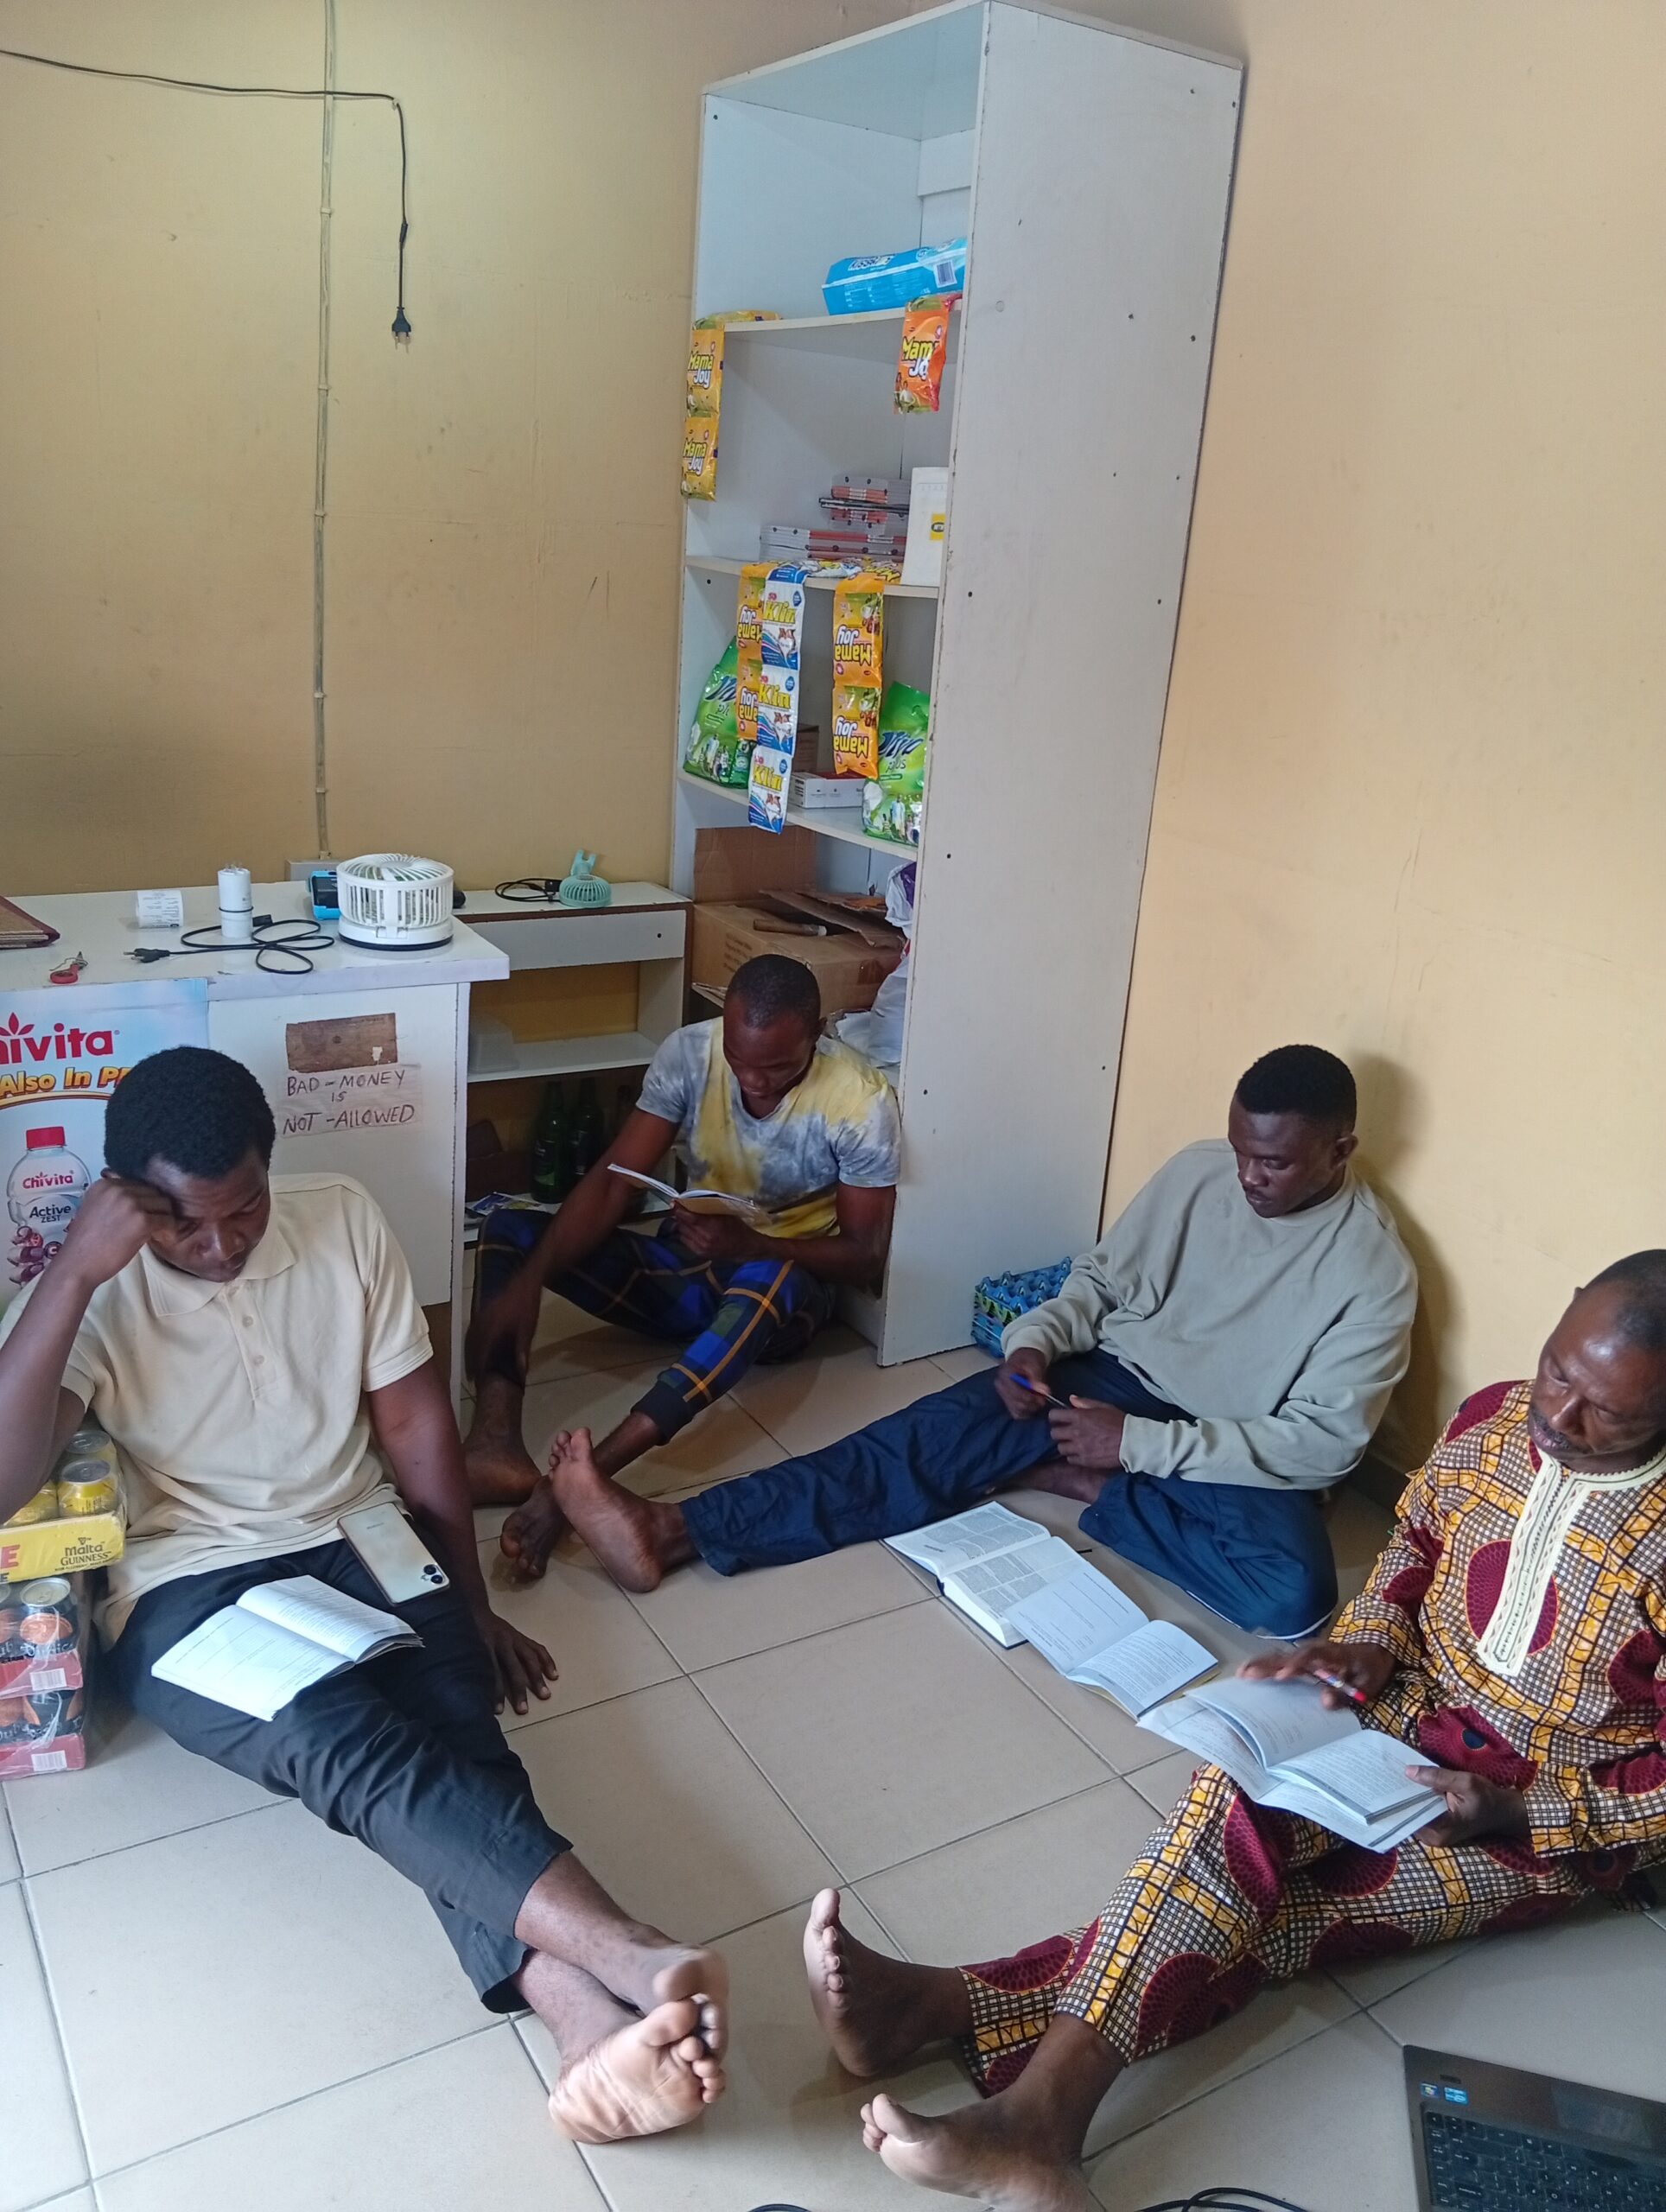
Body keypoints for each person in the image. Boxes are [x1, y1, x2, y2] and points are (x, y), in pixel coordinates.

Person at [799, 1255, 1666, 2209]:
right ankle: (992, 2082)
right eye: (1555, 1370)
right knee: (1228, 1803)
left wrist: (1512, 1806)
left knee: (1293, 1916)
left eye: (1605, 1414)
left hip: (1532, 1811)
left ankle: (992, 2064)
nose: (1557, 1415)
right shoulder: (1491, 1418)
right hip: (1406, 1706)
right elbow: (1411, 1546)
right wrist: (1366, 1646)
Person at [0, 1047, 728, 2145]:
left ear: (270, 1169)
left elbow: (415, 1430)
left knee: (457, 1730)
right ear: (125, 1203)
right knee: (341, 1741)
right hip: (187, 1580)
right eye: (183, 1225)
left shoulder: (340, 1220)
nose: (219, 1245)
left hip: (356, 1530)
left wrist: (469, 1605)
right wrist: (71, 1275)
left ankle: (582, 2021)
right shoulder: (88, 1291)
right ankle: (628, 1954)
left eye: (241, 1211)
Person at [549, 1044, 1417, 1637]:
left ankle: (1078, 1478)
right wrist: (1031, 1344)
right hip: (1112, 1382)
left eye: (1273, 1164)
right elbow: (1102, 1281)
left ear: (1340, 1148)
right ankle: (668, 1532)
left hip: (1225, 1446)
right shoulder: (1200, 1170)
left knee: (1295, 1592)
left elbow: (1321, 1445)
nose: (1246, 1177)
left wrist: (1134, 1446)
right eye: (1239, 1152)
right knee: (913, 1442)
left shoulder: (1373, 1269)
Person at [463, 954, 900, 1576]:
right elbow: (615, 1182)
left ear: (819, 1031)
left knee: (769, 1281)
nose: (755, 1082)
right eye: (741, 1062)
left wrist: (753, 1246)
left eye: (777, 1067)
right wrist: (529, 1285)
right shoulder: (689, 1053)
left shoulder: (860, 1102)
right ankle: (493, 1442)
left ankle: (580, 1483)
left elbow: (863, 1256)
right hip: (692, 1266)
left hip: (780, 1293)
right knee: (512, 1230)